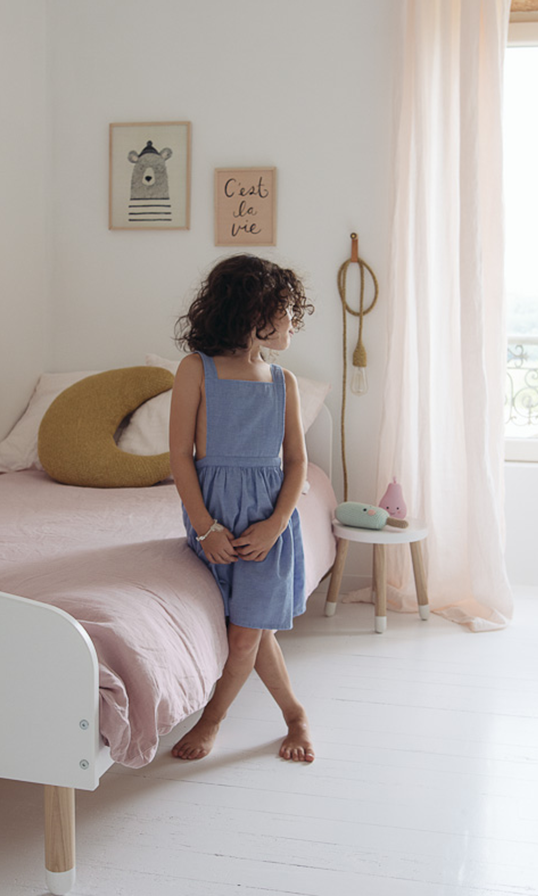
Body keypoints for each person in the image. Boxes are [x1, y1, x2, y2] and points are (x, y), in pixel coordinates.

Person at [169, 254, 315, 763]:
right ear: (256, 312)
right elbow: (180, 458)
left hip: (266, 527)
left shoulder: (284, 383)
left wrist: (276, 525)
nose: (293, 320)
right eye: (286, 310)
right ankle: (294, 714)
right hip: (215, 523)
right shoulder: (196, 370)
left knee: (246, 634)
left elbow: (296, 463)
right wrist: (206, 527)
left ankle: (212, 720)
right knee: (249, 630)